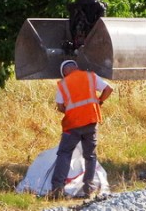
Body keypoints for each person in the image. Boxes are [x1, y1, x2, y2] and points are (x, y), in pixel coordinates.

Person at [48, 60, 113, 199]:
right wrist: (99, 102)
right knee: (90, 156)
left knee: (64, 154)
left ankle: (57, 190)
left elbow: (60, 107)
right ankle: (89, 190)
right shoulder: (91, 76)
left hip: (73, 124)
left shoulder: (63, 84)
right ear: (76, 67)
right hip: (91, 120)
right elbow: (108, 89)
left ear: (64, 72)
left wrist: (70, 111)